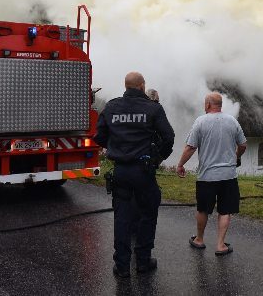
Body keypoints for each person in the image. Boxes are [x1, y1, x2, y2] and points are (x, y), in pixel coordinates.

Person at [94, 72, 175, 278]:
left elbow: (100, 136)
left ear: (126, 86)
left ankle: (122, 266)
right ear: (141, 86)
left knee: (122, 218)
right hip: (144, 171)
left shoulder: (111, 107)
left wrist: (115, 148)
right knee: (147, 215)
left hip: (121, 170)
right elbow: (168, 136)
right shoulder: (153, 108)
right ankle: (143, 262)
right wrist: (158, 158)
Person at [176, 93, 247, 256]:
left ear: (208, 105)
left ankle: (199, 240)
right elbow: (243, 145)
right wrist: (235, 156)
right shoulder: (232, 121)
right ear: (220, 105)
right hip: (228, 176)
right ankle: (221, 245)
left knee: (203, 209)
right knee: (225, 210)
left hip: (207, 177)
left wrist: (180, 165)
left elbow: (190, 148)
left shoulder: (200, 122)